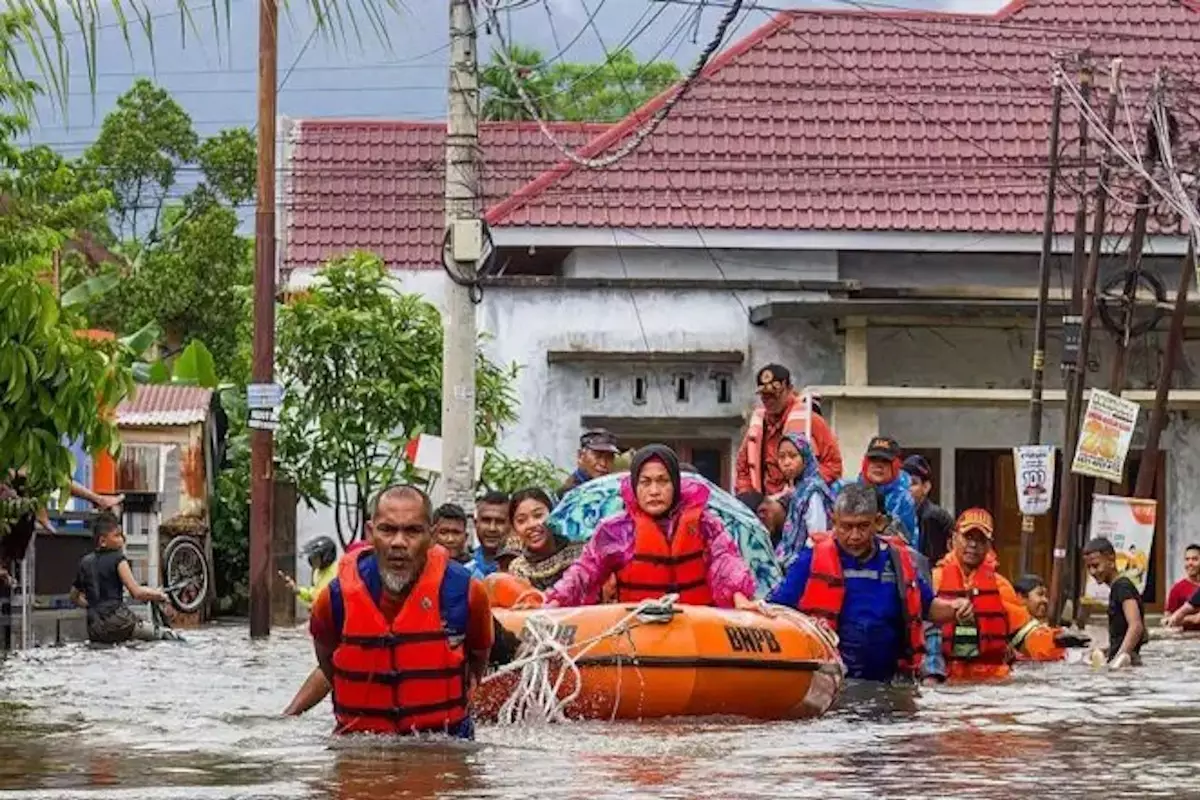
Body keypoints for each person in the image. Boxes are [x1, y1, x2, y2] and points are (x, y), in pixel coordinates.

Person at [307, 484, 494, 737]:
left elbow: (479, 656)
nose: (398, 542)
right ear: (370, 533)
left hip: (445, 741)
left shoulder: (467, 592)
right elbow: (328, 661)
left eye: (413, 531)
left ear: (432, 536)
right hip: (360, 742)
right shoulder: (334, 599)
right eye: (387, 530)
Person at [770, 484, 971, 682]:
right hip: (831, 680)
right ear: (834, 521)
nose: (855, 536)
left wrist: (956, 609)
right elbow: (776, 609)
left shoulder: (897, 560)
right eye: (846, 527)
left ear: (878, 522)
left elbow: (928, 607)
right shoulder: (812, 558)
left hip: (891, 681)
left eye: (863, 526)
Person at [546, 445, 761, 610]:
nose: (654, 491)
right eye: (645, 482)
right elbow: (585, 571)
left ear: (675, 484)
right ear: (635, 486)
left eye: (663, 481)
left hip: (697, 628)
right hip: (639, 630)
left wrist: (739, 597)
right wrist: (556, 600)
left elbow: (725, 560)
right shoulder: (616, 530)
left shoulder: (705, 523)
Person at [933, 509, 1074, 680]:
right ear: (954, 539)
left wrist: (1058, 641)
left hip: (992, 680)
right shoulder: (934, 581)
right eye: (968, 537)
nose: (973, 545)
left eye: (981, 540)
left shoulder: (1000, 586)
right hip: (945, 678)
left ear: (989, 545)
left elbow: (1026, 633)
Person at [736, 364, 843, 495]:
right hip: (765, 500)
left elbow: (833, 465)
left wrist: (805, 487)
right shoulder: (758, 426)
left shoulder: (811, 421)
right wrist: (747, 494)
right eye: (765, 396)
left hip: (801, 497)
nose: (769, 401)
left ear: (789, 389)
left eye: (775, 394)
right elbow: (743, 469)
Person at [69, 512, 176, 644]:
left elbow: (73, 597)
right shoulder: (118, 558)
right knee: (167, 636)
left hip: (95, 628)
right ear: (103, 541)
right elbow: (136, 592)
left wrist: (93, 606)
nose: (122, 539)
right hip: (120, 623)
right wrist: (159, 595)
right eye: (117, 535)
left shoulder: (85, 562)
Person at [1083, 537, 1146, 669]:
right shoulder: (1118, 588)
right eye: (1088, 567)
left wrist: (1119, 659)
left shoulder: (1122, 586)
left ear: (1111, 560)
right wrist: (1106, 651)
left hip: (1126, 665)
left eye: (1096, 565)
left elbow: (1136, 626)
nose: (1092, 572)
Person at [505, 488, 585, 591]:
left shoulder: (581, 552)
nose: (531, 525)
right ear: (514, 528)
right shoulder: (518, 569)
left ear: (553, 514)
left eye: (538, 515)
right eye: (521, 521)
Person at [774, 433, 834, 568]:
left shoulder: (813, 491)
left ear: (805, 457)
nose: (786, 462)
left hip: (806, 565)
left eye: (793, 456)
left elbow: (817, 537)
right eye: (781, 457)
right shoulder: (798, 490)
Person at [846, 436, 918, 545]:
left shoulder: (904, 500)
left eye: (885, 461)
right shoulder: (850, 492)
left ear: (895, 466)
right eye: (873, 460)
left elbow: (908, 542)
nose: (878, 466)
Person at [902, 454, 954, 564]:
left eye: (913, 483)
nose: (906, 488)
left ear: (926, 487)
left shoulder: (934, 517)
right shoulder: (896, 513)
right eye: (903, 482)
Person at [279, 536, 338, 607]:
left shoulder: (336, 574)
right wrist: (297, 590)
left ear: (327, 557)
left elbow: (324, 600)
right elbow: (314, 593)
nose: (311, 559)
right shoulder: (317, 572)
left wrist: (312, 606)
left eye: (315, 557)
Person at [558, 429, 620, 496]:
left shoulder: (614, 488)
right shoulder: (571, 493)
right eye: (598, 456)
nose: (603, 464)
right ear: (580, 456)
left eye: (609, 457)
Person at [471, 491, 510, 578]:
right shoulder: (464, 567)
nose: (492, 528)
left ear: (511, 526)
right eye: (486, 520)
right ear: (476, 524)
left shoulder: (522, 569)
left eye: (500, 521)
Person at [1166, 543, 1200, 613]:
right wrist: (1194, 618)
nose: (1190, 563)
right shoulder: (1177, 589)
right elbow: (1168, 617)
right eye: (1187, 559)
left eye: (1195, 559)